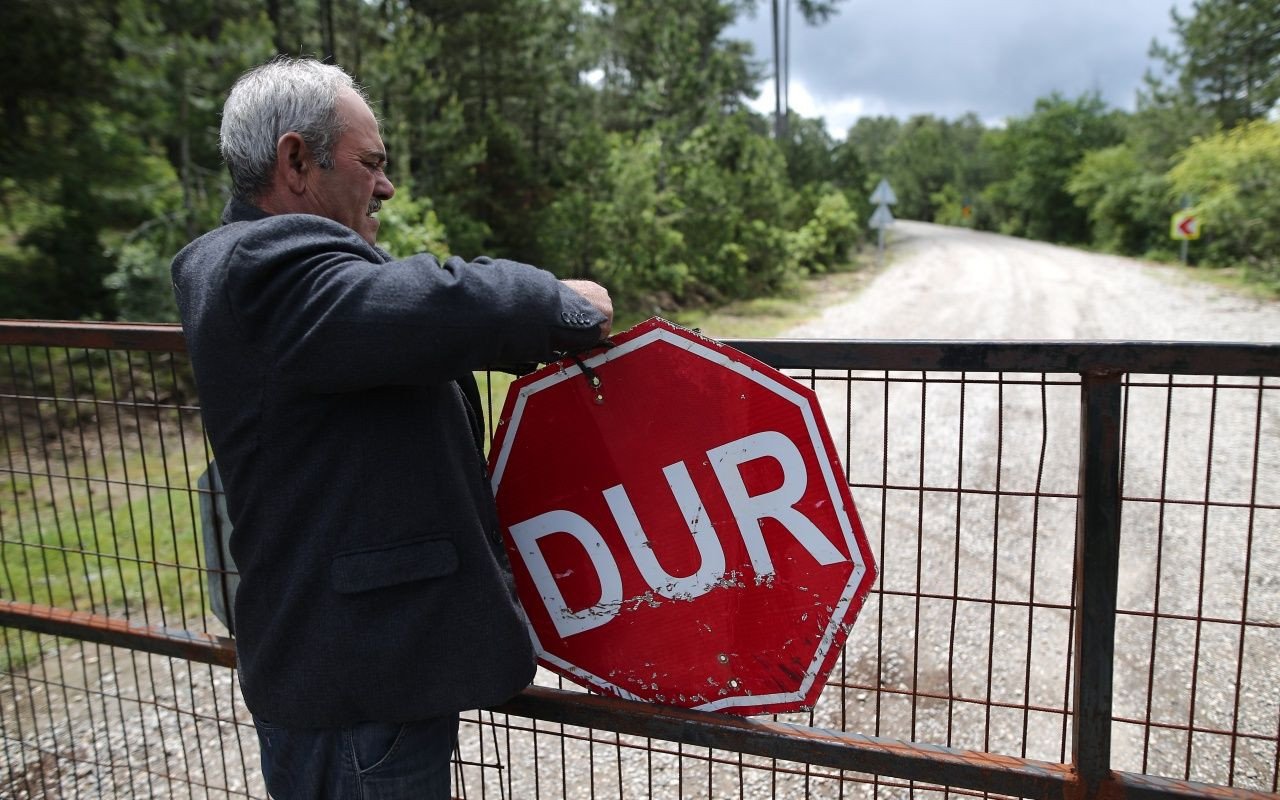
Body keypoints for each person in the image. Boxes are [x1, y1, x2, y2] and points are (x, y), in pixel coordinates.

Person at [171, 57, 612, 799]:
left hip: (350, 677)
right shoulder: (264, 264)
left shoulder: (256, 268)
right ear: (296, 160)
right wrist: (557, 303)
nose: (387, 184)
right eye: (371, 163)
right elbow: (424, 304)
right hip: (357, 688)